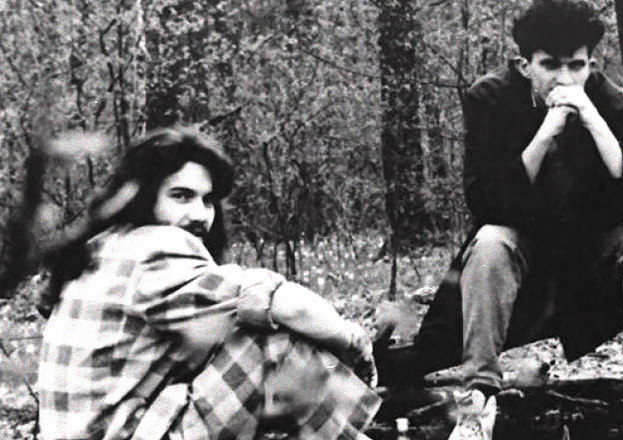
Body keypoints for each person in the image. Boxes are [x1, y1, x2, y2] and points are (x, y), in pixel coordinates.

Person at [406, 0, 623, 440]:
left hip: (590, 257)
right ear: (525, 65)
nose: (565, 79)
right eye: (550, 65)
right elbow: (486, 202)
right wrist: (546, 132)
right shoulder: (491, 99)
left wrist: (596, 124)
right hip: (519, 251)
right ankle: (478, 401)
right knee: (489, 242)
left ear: (592, 64)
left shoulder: (616, 106)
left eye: (576, 65)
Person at [32, 128, 380, 440]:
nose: (200, 214)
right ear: (144, 197)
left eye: (208, 200)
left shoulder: (102, 246)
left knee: (231, 337)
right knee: (271, 343)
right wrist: (354, 342)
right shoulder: (157, 246)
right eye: (181, 196)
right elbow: (283, 303)